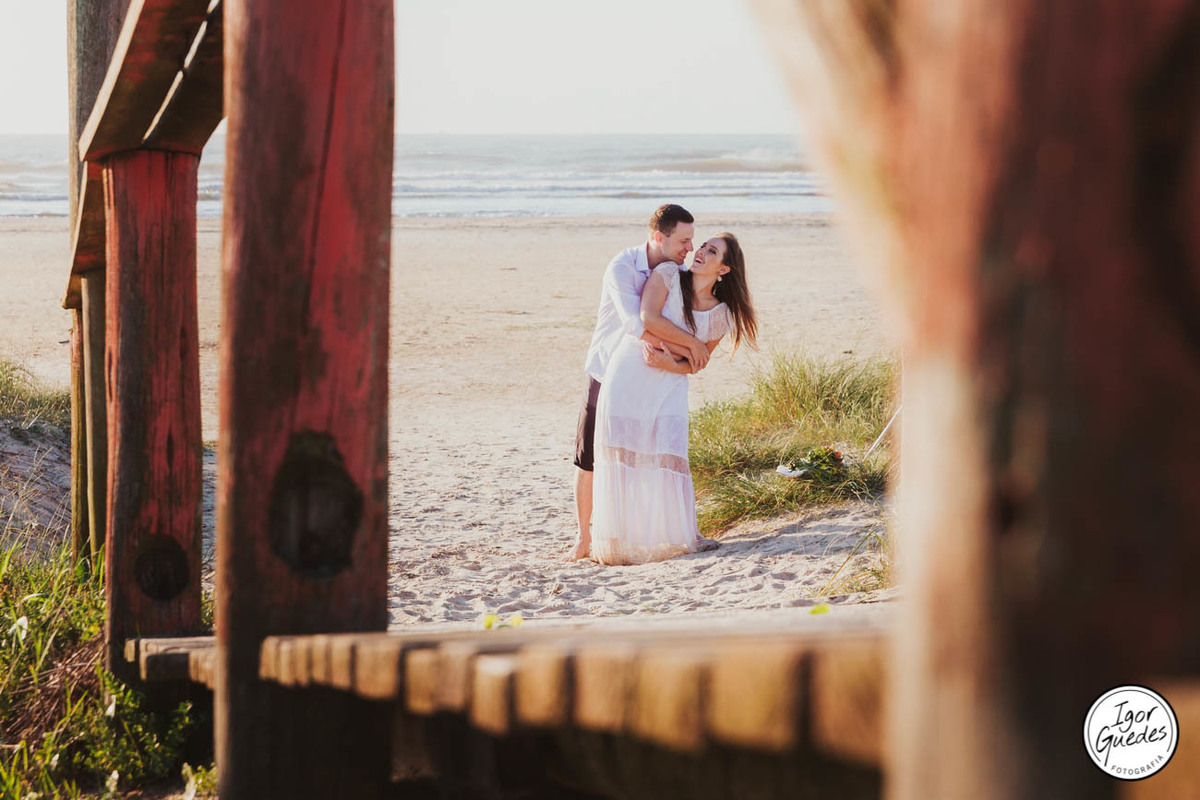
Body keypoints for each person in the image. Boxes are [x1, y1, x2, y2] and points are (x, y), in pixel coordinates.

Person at [590, 233, 757, 565]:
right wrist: (692, 346)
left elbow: (697, 364)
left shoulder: (721, 314)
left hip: (671, 383)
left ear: (723, 269)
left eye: (712, 252)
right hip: (630, 372)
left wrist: (674, 359)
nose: (700, 252)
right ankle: (617, 541)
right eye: (702, 246)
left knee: (670, 454)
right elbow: (647, 320)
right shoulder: (667, 275)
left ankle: (680, 535)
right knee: (624, 455)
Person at [571, 205, 712, 561]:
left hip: (652, 374)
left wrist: (688, 353)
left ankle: (677, 530)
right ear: (657, 237)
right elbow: (638, 326)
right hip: (607, 368)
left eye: (692, 240)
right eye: (683, 240)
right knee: (589, 458)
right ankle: (583, 539)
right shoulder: (621, 267)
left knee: (655, 452)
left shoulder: (678, 271)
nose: (689, 248)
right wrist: (692, 348)